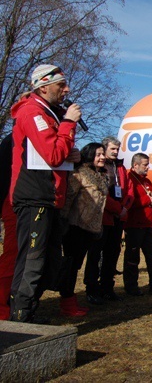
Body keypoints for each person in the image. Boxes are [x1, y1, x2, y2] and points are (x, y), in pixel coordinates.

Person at [10, 64, 81, 322]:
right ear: (43, 87)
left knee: (49, 264)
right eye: (61, 85)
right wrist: (69, 123)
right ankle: (21, 318)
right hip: (34, 197)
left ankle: (28, 313)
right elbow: (52, 154)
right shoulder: (32, 112)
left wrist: (72, 154)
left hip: (50, 198)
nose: (67, 89)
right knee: (33, 261)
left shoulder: (50, 114)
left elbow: (58, 154)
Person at [58, 143, 109, 317]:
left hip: (92, 229)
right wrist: (63, 224)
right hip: (75, 227)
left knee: (77, 266)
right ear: (89, 155)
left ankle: (69, 300)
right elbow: (68, 199)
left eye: (103, 154)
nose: (102, 157)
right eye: (98, 154)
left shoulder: (102, 176)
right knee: (70, 266)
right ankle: (67, 303)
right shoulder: (79, 174)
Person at [84, 136, 133, 304]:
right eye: (112, 149)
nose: (115, 152)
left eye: (117, 149)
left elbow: (128, 190)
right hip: (102, 218)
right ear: (104, 149)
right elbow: (100, 193)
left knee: (112, 254)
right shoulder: (99, 167)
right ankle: (91, 289)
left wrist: (124, 208)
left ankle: (107, 288)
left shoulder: (120, 167)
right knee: (95, 255)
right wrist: (118, 209)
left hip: (118, 218)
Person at [123, 153, 152, 296]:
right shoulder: (129, 179)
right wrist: (148, 202)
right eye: (145, 164)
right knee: (133, 258)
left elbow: (149, 196)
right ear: (135, 165)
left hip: (148, 225)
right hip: (134, 225)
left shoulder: (148, 182)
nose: (148, 167)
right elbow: (128, 201)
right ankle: (131, 288)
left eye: (148, 164)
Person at [0, 135, 17, 320]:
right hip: (13, 201)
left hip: (29, 201)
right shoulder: (11, 139)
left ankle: (15, 304)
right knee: (12, 255)